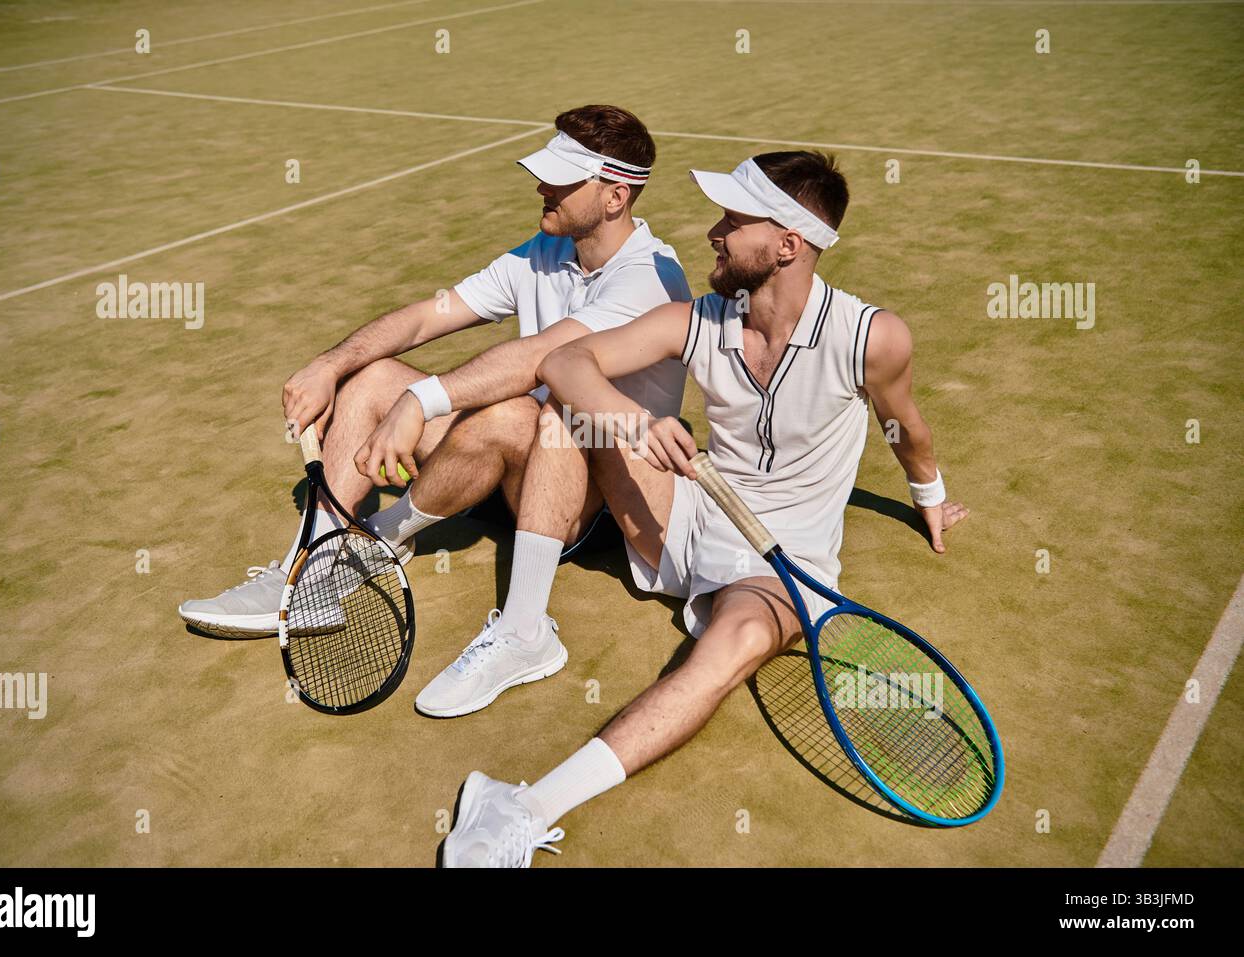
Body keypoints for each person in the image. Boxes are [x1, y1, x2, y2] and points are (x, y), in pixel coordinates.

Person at [440, 150, 969, 867]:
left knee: (727, 653)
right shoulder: (697, 318)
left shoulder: (872, 337)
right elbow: (566, 365)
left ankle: (524, 806)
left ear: (787, 244)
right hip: (681, 519)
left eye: (734, 220)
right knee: (573, 413)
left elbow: (905, 425)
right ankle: (525, 630)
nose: (713, 232)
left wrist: (928, 494)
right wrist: (631, 421)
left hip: (780, 569)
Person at [177, 105, 691, 639]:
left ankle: (380, 537)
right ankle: (311, 566)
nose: (542, 186)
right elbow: (429, 316)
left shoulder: (648, 278)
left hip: (580, 498)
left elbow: (540, 357)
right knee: (374, 378)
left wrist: (419, 401)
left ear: (615, 196)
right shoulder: (546, 250)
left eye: (561, 180)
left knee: (515, 411)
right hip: (507, 461)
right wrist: (330, 365)